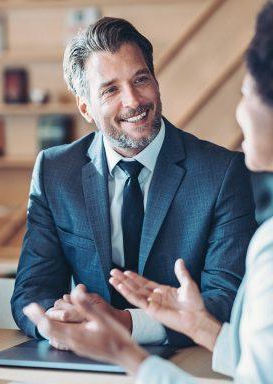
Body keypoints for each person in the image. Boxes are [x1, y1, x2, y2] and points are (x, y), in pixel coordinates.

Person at [24, 1, 273, 382]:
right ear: (86, 107)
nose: (134, 101)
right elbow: (32, 288)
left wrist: (124, 325)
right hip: (79, 366)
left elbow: (226, 299)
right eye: (110, 89)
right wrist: (57, 322)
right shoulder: (55, 170)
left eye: (141, 79)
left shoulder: (222, 172)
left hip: (193, 364)